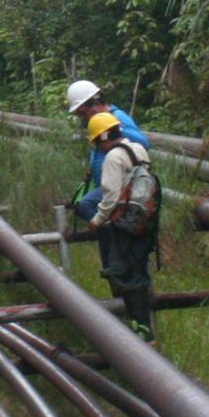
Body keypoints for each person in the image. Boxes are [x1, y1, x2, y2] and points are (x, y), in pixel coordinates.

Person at [85, 111, 158, 341]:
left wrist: (97, 220)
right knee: (139, 269)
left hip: (125, 223)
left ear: (103, 138)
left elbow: (111, 196)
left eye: (97, 141)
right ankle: (146, 325)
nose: (98, 147)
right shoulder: (138, 149)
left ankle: (137, 328)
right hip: (145, 220)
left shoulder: (113, 158)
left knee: (122, 273)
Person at [65, 79, 151, 224]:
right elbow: (101, 147)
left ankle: (111, 229)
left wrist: (114, 130)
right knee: (83, 206)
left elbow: (143, 142)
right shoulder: (97, 121)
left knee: (86, 205)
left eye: (82, 113)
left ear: (94, 105)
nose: (82, 118)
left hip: (121, 182)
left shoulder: (117, 118)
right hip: (107, 182)